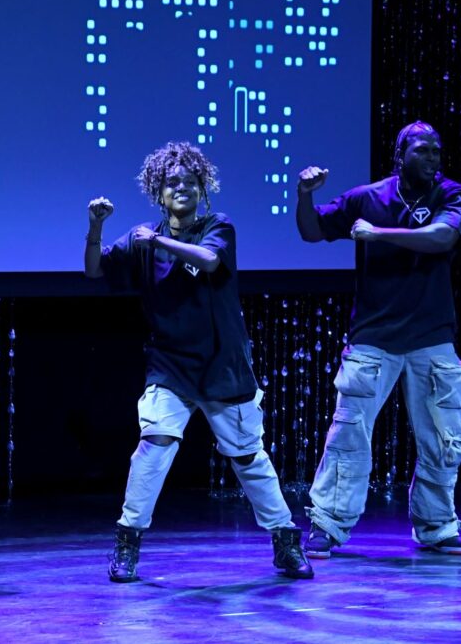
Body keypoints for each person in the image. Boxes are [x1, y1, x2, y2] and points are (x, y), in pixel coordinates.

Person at [85, 141, 313, 582]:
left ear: (202, 189)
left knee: (248, 457)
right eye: (173, 183)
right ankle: (127, 542)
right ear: (160, 193)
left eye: (190, 182)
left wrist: (160, 240)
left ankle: (285, 541)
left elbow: (209, 262)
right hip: (171, 365)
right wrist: (95, 227)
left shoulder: (217, 226)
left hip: (223, 363)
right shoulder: (143, 239)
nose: (182, 188)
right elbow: (95, 269)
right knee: (154, 446)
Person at [296, 120, 461, 557]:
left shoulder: (451, 194)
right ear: (401, 155)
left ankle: (436, 525)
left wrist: (378, 235)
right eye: (422, 150)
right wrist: (304, 195)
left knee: (443, 436)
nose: (432, 157)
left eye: (436, 150)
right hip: (374, 336)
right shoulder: (367, 198)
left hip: (432, 335)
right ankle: (329, 524)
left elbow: (444, 236)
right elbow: (312, 231)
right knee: (348, 434)